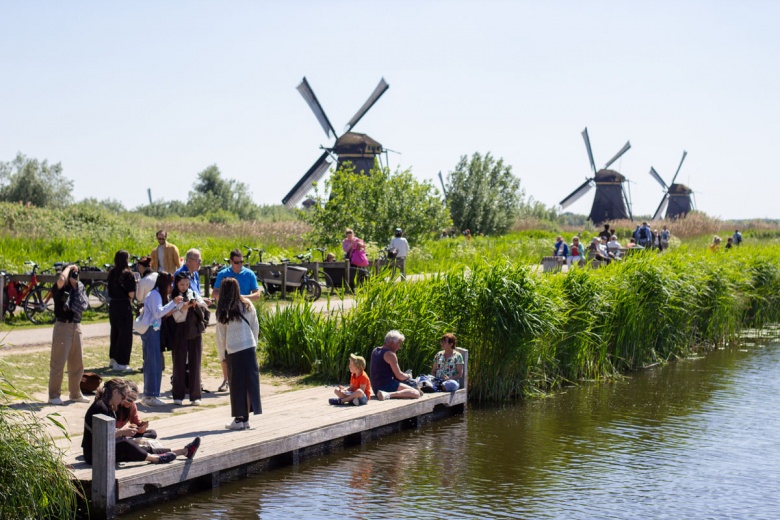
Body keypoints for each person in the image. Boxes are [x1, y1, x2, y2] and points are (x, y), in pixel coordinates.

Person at [82, 378, 199, 465]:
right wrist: (122, 432)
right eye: (124, 397)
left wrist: (123, 433)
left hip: (103, 448)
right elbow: (102, 436)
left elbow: (107, 436)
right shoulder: (100, 407)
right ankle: (156, 459)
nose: (123, 401)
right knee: (126, 444)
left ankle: (184, 451)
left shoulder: (108, 405)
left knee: (136, 446)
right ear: (115, 392)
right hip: (94, 454)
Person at [215, 278, 262, 430]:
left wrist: (222, 355)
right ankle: (246, 418)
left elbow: (220, 335)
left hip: (233, 350)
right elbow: (255, 326)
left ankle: (238, 419)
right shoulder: (247, 305)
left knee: (237, 385)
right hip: (249, 347)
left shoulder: (224, 310)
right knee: (250, 384)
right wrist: (253, 343)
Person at [212, 249, 261, 392]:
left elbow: (257, 294)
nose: (239, 265)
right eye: (236, 262)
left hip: (244, 311)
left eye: (241, 262)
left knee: (244, 347)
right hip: (227, 313)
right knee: (225, 345)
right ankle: (226, 379)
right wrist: (228, 299)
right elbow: (215, 293)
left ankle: (244, 380)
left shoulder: (249, 274)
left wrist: (242, 298)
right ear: (231, 261)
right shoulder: (223, 274)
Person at [136, 272, 183, 406]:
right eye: (170, 283)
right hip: (151, 330)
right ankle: (151, 395)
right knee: (154, 362)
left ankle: (148, 393)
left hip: (153, 329)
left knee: (152, 361)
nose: (171, 286)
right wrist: (172, 303)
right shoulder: (155, 295)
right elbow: (158, 312)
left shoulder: (155, 294)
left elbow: (158, 312)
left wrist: (172, 308)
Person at [47, 264, 90, 405]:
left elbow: (84, 304)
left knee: (77, 364)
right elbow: (60, 280)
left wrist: (75, 283)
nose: (75, 276)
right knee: (58, 363)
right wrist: (68, 268)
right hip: (62, 326)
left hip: (76, 326)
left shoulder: (79, 288)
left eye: (76, 274)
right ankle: (54, 395)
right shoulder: (60, 287)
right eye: (72, 274)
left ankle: (75, 393)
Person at [171, 271, 209, 406]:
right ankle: (177, 395)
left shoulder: (193, 293)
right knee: (178, 363)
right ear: (176, 283)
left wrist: (197, 304)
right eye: (182, 284)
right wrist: (184, 307)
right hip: (179, 332)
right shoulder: (173, 296)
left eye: (187, 284)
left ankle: (195, 395)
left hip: (194, 331)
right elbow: (175, 317)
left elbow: (204, 307)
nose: (184, 287)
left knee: (195, 362)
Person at [370, 330, 421, 401]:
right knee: (416, 393)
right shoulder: (390, 354)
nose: (399, 347)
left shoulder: (375, 350)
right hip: (386, 386)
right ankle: (387, 394)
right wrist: (408, 376)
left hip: (375, 388)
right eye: (399, 344)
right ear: (392, 343)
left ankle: (385, 393)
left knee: (410, 387)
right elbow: (399, 376)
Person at [108, 250, 136, 372]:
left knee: (115, 331)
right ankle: (121, 362)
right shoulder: (128, 274)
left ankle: (113, 358)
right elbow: (131, 294)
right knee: (125, 334)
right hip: (124, 304)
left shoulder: (112, 273)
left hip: (113, 304)